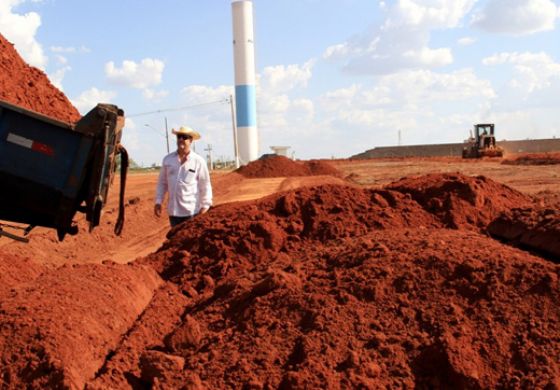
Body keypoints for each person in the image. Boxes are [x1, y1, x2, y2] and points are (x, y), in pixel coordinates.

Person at [154, 126, 212, 227]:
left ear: (190, 140)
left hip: (191, 212)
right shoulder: (168, 160)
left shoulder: (198, 161)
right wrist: (158, 201)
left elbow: (205, 185)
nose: (181, 139)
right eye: (179, 137)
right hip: (174, 213)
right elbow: (162, 183)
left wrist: (205, 205)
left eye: (184, 137)